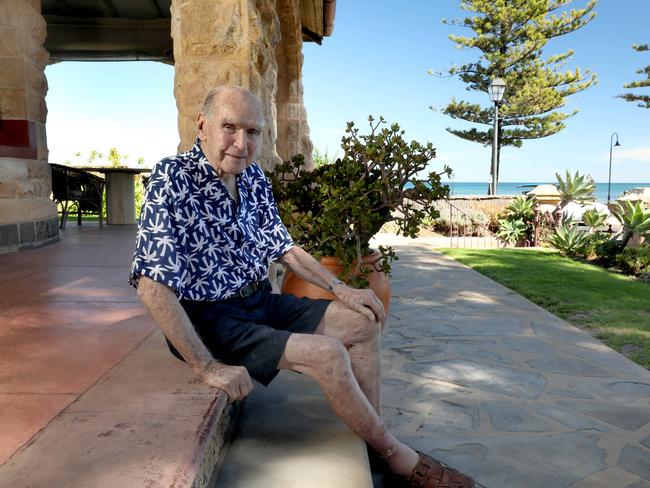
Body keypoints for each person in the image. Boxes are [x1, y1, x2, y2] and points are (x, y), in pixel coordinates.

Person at [130, 85, 474, 488]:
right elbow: (152, 287)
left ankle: (371, 442)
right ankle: (396, 456)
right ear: (202, 125)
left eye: (253, 132)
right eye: (230, 127)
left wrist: (341, 288)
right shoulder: (173, 178)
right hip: (211, 317)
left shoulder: (252, 177)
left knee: (362, 323)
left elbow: (284, 248)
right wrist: (207, 367)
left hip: (259, 300)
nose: (242, 144)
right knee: (327, 355)